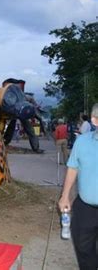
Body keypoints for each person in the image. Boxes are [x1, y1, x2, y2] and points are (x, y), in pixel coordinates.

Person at [58, 103, 98, 269]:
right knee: (83, 247)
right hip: (86, 206)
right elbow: (73, 167)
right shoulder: (82, 142)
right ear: (96, 120)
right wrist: (65, 195)